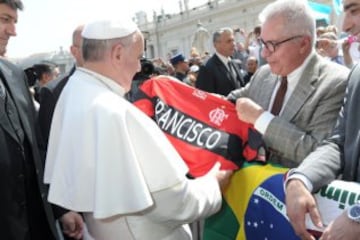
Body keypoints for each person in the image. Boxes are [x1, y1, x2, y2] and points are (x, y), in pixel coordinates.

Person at [44, 18, 232, 240]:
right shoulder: (118, 113)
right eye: (137, 57)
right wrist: (214, 182)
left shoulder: (73, 92)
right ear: (117, 54)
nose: (138, 67)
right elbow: (177, 204)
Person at [227, 0, 349, 168]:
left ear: (303, 44)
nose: (264, 53)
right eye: (263, 43)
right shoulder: (264, 74)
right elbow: (230, 101)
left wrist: (260, 118)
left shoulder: (336, 83)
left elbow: (319, 153)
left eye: (272, 45)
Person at [285, 0, 360, 239]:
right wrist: (300, 179)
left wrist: (357, 217)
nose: (345, 25)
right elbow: (339, 142)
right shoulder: (357, 74)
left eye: (355, 9)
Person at [0, 0, 59, 239]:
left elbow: (37, 148)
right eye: (5, 20)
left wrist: (60, 210)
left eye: (14, 22)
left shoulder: (15, 74)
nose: (13, 31)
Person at [38, 25, 85, 240]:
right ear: (74, 51)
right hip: (78, 209)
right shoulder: (53, 92)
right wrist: (62, 209)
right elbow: (48, 154)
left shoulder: (120, 85)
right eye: (89, 46)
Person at [196, 27, 245, 96]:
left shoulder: (235, 63)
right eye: (229, 41)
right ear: (216, 45)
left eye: (233, 40)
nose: (233, 44)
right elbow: (206, 98)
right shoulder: (207, 68)